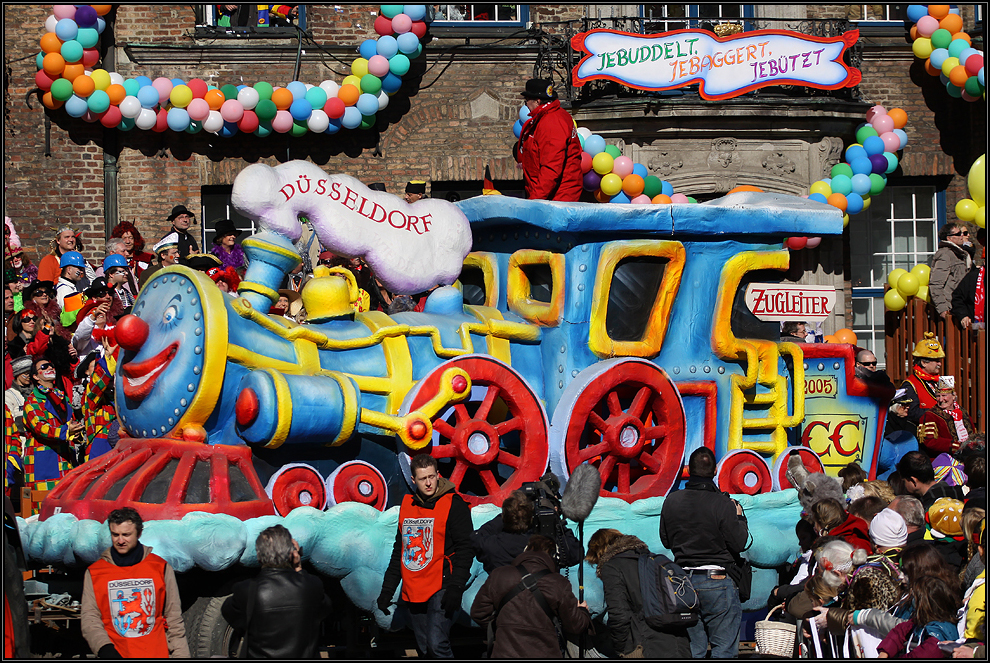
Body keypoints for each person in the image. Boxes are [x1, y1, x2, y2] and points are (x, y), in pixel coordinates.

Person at [377, 454, 474, 658]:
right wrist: (387, 590)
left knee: (436, 644)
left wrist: (456, 586)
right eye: (423, 479)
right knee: (423, 648)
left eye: (432, 476)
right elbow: (400, 551)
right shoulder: (408, 506)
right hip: (415, 585)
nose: (429, 483)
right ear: (413, 480)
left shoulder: (454, 504)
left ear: (438, 474)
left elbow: (466, 548)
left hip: (443, 584)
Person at [659, 447, 749, 658]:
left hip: (682, 583)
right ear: (715, 470)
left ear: (689, 470)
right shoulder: (723, 503)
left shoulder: (671, 500)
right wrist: (740, 518)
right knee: (724, 651)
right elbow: (740, 543)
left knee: (692, 651)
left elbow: (665, 540)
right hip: (717, 580)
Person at [80, 507, 189, 658]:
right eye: (115, 535)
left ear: (139, 534)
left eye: (126, 535)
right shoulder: (95, 572)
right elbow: (89, 618)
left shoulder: (160, 567)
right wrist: (104, 648)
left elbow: (174, 620)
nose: (120, 540)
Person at [471, 534, 592, 658]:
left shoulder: (499, 575)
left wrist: (502, 629)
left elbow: (478, 613)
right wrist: (582, 611)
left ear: (525, 551)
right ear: (554, 557)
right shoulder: (558, 583)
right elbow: (575, 626)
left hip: (504, 653)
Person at [221, 524, 331, 658]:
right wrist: (299, 570)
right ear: (292, 554)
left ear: (259, 555)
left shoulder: (246, 590)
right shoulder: (312, 586)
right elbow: (324, 611)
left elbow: (230, 614)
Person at [585, 528, 691, 658]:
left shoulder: (612, 567)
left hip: (645, 645)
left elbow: (619, 614)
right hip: (678, 641)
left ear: (599, 552)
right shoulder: (653, 559)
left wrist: (621, 647)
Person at [471, 489, 584, 574]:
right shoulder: (544, 544)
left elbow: (476, 536)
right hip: (540, 600)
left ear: (505, 518)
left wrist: (507, 515)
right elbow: (577, 553)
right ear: (531, 517)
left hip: (506, 600)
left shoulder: (491, 545)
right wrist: (555, 521)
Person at [514, 78, 582, 202]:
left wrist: (535, 200)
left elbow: (551, 168)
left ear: (537, 101)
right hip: (550, 196)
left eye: (526, 101)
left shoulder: (551, 122)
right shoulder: (549, 117)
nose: (526, 105)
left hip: (557, 199)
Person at [20, 357, 78, 501]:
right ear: (35, 376)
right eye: (44, 367)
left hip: (66, 460)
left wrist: (76, 433)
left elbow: (72, 422)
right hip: (45, 463)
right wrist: (66, 432)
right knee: (43, 510)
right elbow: (40, 427)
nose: (50, 368)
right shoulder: (32, 401)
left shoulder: (61, 397)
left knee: (66, 507)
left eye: (51, 365)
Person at [916, 376, 975, 460]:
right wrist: (955, 445)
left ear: (954, 396)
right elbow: (929, 441)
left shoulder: (963, 412)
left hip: (967, 456)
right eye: (938, 396)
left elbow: (972, 432)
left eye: (944, 395)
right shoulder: (930, 415)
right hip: (944, 460)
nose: (940, 399)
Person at [896, 450, 964, 513]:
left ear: (913, 481)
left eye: (904, 481)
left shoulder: (925, 509)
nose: (904, 485)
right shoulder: (957, 492)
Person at [929, 223, 974, 318]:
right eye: (958, 234)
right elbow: (936, 284)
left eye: (962, 233)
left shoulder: (961, 254)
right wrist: (943, 309)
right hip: (951, 308)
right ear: (949, 238)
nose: (962, 235)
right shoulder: (945, 255)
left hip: (962, 307)